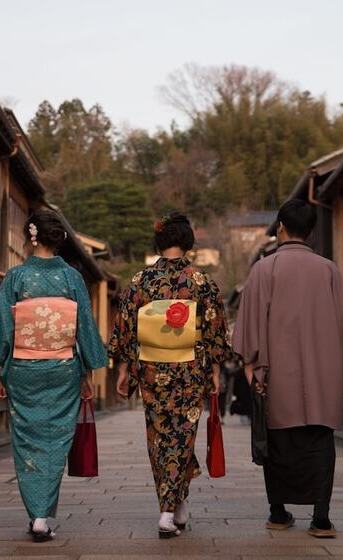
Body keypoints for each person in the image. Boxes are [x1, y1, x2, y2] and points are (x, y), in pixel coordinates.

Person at [232, 199, 343, 538]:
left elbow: (248, 326)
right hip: (322, 379)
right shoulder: (329, 270)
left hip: (277, 378)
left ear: (280, 227)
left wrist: (250, 367)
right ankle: (321, 518)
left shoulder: (264, 269)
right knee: (320, 443)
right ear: (310, 231)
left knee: (276, 445)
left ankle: (278, 512)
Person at [0, 208, 108, 543]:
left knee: (27, 440)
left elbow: (3, 326)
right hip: (64, 368)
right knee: (56, 441)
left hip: (22, 368)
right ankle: (42, 518)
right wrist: (88, 372)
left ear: (30, 236)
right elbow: (84, 327)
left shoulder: (16, 278)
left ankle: (36, 514)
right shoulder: (72, 279)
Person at [109, 211, 230, 539]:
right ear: (188, 243)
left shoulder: (140, 281)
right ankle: (167, 511)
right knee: (183, 435)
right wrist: (215, 368)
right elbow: (214, 329)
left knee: (160, 436)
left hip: (152, 370)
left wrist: (123, 368)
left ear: (160, 241)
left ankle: (175, 504)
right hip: (189, 370)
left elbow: (126, 329)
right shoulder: (201, 282)